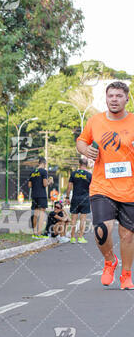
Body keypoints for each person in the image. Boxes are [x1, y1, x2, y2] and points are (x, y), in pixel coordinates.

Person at [77, 81, 134, 290]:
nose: (114, 99)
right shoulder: (95, 121)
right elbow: (81, 141)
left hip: (130, 189)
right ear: (106, 98)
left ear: (127, 99)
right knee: (102, 229)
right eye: (111, 96)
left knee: (127, 235)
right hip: (102, 186)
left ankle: (126, 275)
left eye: (119, 96)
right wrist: (85, 150)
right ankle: (110, 261)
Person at [66, 157, 92, 244]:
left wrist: (67, 197)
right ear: (87, 165)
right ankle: (80, 238)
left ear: (79, 164)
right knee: (83, 219)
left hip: (75, 198)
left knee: (73, 219)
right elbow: (92, 188)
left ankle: (72, 238)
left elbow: (69, 187)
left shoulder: (74, 174)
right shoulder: (89, 175)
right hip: (85, 199)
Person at [28, 157, 53, 239]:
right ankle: (39, 233)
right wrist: (50, 181)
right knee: (42, 214)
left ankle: (34, 232)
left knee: (35, 214)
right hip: (42, 195)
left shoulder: (32, 172)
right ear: (44, 163)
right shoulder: (43, 171)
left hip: (34, 195)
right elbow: (45, 184)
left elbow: (29, 185)